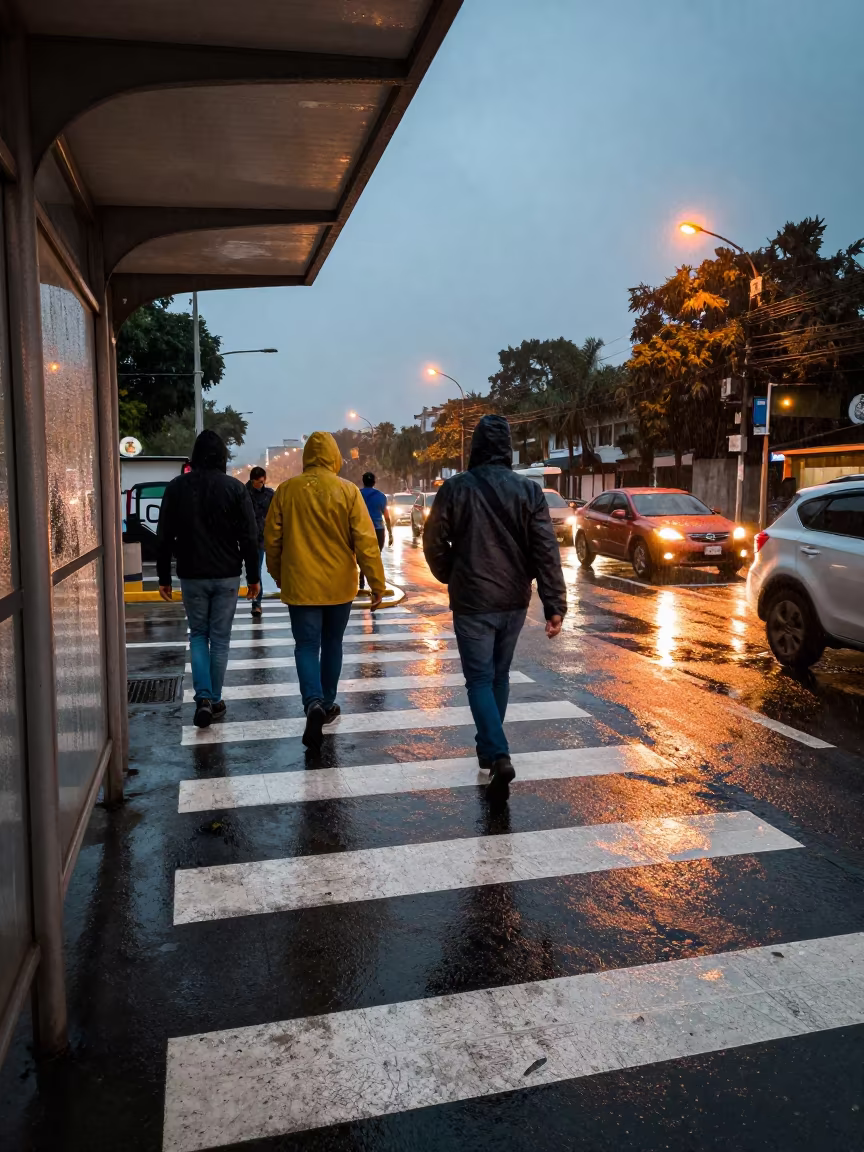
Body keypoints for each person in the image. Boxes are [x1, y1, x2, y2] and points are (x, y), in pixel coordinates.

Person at [423, 414, 566, 801]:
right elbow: (545, 552)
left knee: (480, 680)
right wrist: (554, 603)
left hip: (472, 601)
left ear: (476, 448)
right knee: (499, 676)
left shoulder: (454, 489)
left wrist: (451, 573)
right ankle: (488, 751)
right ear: (508, 449)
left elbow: (433, 540)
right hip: (514, 600)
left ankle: (498, 753)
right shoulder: (529, 492)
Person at [264, 431, 387, 749]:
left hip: (300, 584)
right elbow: (365, 541)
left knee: (305, 646)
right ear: (334, 457)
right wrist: (377, 584)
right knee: (333, 643)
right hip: (339, 587)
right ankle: (328, 702)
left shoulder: (286, 491)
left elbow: (272, 541)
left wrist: (278, 574)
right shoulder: (347, 491)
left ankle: (313, 703)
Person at [156, 430, 260, 729]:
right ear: (223, 457)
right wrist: (253, 576)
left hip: (191, 574)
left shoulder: (176, 488)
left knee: (198, 635)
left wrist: (164, 576)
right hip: (227, 574)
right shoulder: (235, 489)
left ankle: (202, 697)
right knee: (221, 639)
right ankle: (214, 699)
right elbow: (249, 537)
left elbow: (163, 536)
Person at [246, 466, 274, 617]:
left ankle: (256, 603)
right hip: (245, 537)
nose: (260, 485)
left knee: (256, 569)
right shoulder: (244, 494)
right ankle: (254, 595)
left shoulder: (269, 495)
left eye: (262, 482)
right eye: (257, 482)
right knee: (251, 570)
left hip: (261, 538)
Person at [358, 471, 393, 590]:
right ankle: (377, 585)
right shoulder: (381, 496)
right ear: (374, 482)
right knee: (376, 556)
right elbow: (387, 517)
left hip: (361, 529)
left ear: (363, 482)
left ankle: (361, 578)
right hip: (378, 529)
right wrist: (390, 533)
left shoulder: (357, 494)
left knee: (362, 555)